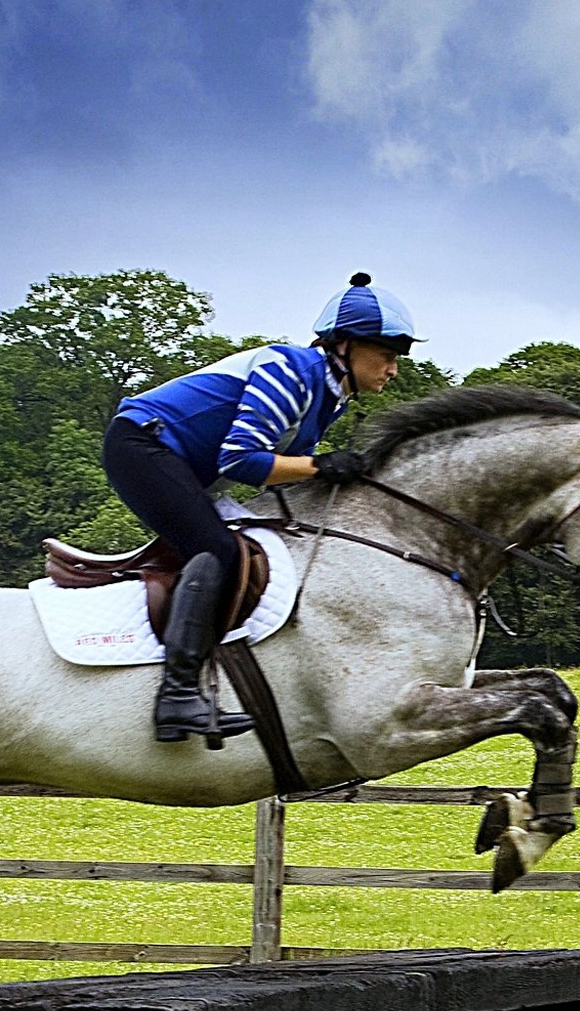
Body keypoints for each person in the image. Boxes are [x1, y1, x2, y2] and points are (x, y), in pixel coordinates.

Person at [105, 273, 417, 742]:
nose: (393, 370)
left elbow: (280, 470)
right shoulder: (293, 370)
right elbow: (240, 460)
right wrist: (319, 465)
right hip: (141, 445)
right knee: (217, 550)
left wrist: (319, 471)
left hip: (174, 460)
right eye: (388, 355)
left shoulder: (328, 397)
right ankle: (177, 696)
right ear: (345, 346)